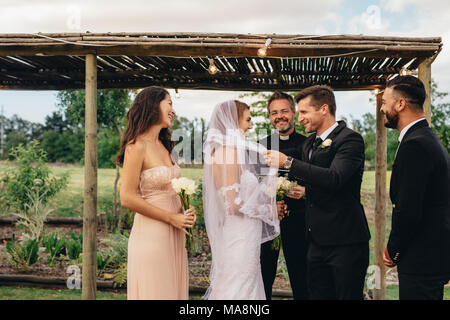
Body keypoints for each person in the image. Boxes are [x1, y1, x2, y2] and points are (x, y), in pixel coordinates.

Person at [264, 85, 371, 300]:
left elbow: (335, 178)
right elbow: (314, 178)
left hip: (344, 242)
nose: (301, 118)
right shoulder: (310, 144)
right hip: (314, 242)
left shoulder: (350, 139)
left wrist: (288, 162)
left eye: (303, 112)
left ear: (324, 109)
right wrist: (304, 191)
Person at [117, 86, 196, 300]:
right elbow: (127, 197)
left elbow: (173, 188)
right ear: (153, 105)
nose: (173, 110)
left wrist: (186, 209)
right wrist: (171, 217)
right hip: (152, 235)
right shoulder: (136, 146)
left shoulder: (165, 145)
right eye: (169, 103)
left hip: (176, 234)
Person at [380, 75, 450, 300]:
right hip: (430, 256)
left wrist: (393, 249)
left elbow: (408, 208)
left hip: (422, 258)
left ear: (400, 104)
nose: (382, 108)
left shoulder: (415, 145)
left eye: (384, 102)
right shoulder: (424, 137)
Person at [202, 100, 280, 300]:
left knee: (242, 283)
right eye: (247, 119)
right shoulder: (229, 153)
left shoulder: (223, 152)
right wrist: (268, 210)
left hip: (242, 232)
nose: (251, 125)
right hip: (240, 234)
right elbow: (233, 204)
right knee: (239, 286)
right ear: (232, 122)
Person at [258, 91, 308, 300]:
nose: (279, 116)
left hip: (300, 220)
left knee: (301, 276)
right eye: (274, 113)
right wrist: (268, 204)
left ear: (294, 113)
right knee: (263, 275)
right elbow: (253, 184)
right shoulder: (261, 145)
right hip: (268, 221)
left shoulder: (308, 144)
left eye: (284, 111)